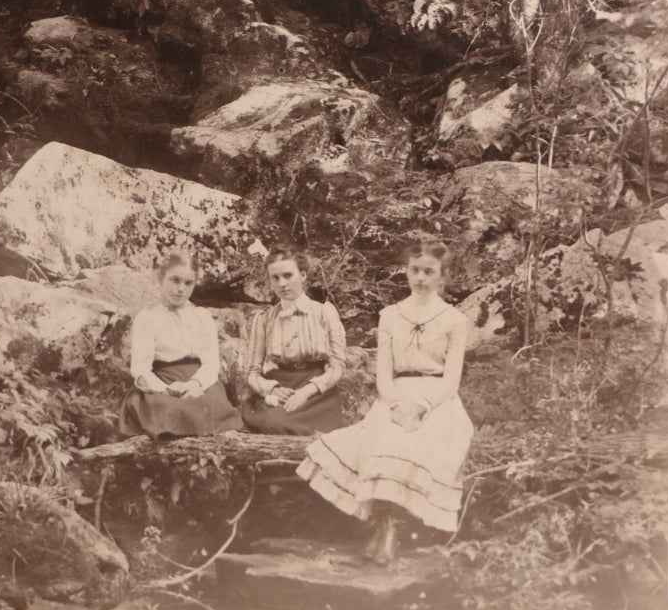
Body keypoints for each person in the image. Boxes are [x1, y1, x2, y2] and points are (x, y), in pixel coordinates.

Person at [296, 237, 474, 563]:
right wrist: (395, 405)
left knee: (417, 446)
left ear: (442, 276)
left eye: (428, 271)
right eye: (414, 270)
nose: (420, 278)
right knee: (379, 442)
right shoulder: (390, 315)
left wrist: (421, 406)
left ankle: (391, 531)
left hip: (437, 402)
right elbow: (383, 376)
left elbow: (451, 381)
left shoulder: (454, 321)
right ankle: (382, 529)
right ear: (406, 271)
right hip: (394, 398)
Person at [118, 250, 242, 438]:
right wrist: (167, 389)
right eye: (175, 280)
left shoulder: (202, 316)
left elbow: (210, 363)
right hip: (164, 381)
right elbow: (140, 368)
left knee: (210, 404)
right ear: (161, 279)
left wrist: (194, 383)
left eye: (188, 283)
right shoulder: (147, 318)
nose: (181, 289)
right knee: (164, 409)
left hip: (198, 382)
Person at [240, 247, 348, 435]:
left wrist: (309, 390)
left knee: (297, 426)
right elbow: (252, 371)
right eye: (275, 278)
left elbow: (338, 364)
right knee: (272, 421)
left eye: (288, 275)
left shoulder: (324, 313)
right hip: (281, 385)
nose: (282, 283)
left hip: (316, 390)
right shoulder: (265, 319)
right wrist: (271, 389)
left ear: (303, 275)